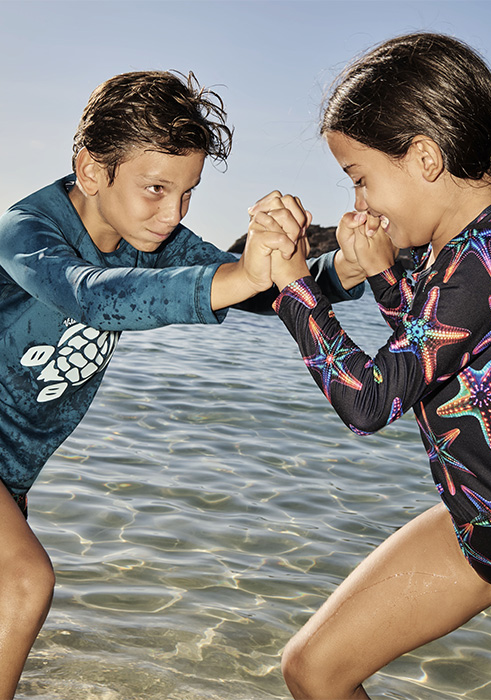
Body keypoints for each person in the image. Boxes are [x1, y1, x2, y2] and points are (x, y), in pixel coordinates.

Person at [0, 70, 366, 698]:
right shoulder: (27, 233)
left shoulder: (153, 239)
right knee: (23, 581)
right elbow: (94, 298)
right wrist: (245, 274)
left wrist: (341, 265)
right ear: (91, 170)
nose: (172, 214)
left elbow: (249, 288)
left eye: (188, 193)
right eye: (155, 189)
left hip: (13, 477)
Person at [260, 32, 491, 699]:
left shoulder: (486, 258)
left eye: (361, 179)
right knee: (315, 668)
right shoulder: (462, 254)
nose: (361, 205)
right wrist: (385, 279)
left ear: (424, 157)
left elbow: (370, 403)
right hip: (479, 531)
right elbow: (437, 356)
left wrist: (291, 289)